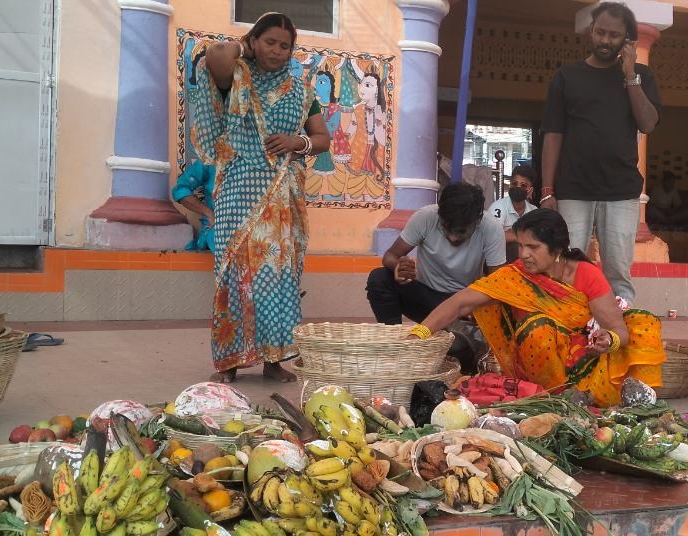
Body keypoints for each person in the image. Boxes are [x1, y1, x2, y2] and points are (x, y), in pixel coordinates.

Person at [178, 12, 331, 383]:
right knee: (233, 272)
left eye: (285, 45)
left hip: (282, 194)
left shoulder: (301, 91)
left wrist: (300, 142)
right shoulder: (236, 77)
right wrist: (240, 48)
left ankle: (274, 360)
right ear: (254, 41)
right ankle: (229, 362)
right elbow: (216, 54)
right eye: (269, 42)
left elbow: (323, 138)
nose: (277, 51)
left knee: (278, 276)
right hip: (237, 190)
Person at [407, 209, 666, 407]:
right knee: (537, 328)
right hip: (538, 364)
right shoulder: (515, 276)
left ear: (557, 249)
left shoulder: (586, 274)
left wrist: (607, 339)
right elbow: (460, 302)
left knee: (642, 321)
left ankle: (625, 398)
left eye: (533, 247)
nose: (523, 255)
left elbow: (619, 330)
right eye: (520, 246)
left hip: (586, 363)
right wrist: (418, 334)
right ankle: (551, 399)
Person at [540, 1, 663, 303]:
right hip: (573, 189)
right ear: (590, 32)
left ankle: (617, 336)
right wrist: (546, 189)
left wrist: (630, 75)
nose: (606, 41)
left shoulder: (642, 77)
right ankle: (566, 332)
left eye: (614, 35)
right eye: (601, 32)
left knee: (618, 272)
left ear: (627, 39)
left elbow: (647, 123)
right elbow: (553, 135)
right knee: (567, 265)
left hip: (620, 189)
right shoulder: (567, 77)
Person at [367, 183, 507, 325]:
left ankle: (460, 331)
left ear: (477, 221)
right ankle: (393, 338)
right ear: (439, 214)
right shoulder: (425, 217)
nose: (452, 238)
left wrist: (476, 309)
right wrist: (398, 267)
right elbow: (390, 255)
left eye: (461, 231)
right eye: (446, 228)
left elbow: (498, 284)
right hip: (427, 300)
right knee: (380, 278)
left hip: (464, 306)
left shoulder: (491, 228)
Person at [488, 165, 539, 261]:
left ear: (530, 191)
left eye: (523, 185)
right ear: (510, 185)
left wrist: (511, 234)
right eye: (514, 184)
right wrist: (524, 235)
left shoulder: (534, 211)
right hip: (499, 259)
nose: (518, 187)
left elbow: (539, 238)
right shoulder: (498, 207)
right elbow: (493, 237)